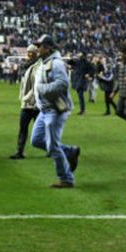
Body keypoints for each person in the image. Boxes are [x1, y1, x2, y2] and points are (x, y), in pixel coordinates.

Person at [30, 34, 80, 188]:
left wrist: (42, 89)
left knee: (52, 146)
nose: (37, 48)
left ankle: (66, 178)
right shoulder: (45, 62)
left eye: (40, 46)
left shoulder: (56, 63)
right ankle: (69, 151)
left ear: (49, 47)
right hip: (44, 110)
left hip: (54, 110)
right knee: (36, 140)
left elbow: (63, 84)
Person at [10, 44, 40, 160]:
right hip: (26, 102)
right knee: (22, 127)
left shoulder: (39, 66)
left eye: (31, 52)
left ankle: (52, 149)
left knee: (41, 129)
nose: (29, 54)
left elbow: (37, 85)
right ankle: (19, 151)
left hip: (36, 103)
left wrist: (32, 98)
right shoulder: (25, 66)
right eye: (28, 52)